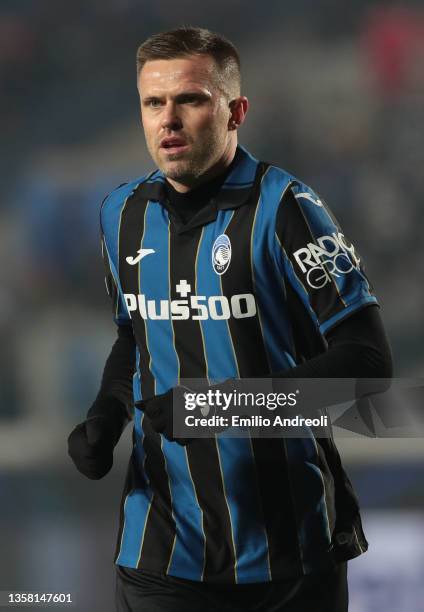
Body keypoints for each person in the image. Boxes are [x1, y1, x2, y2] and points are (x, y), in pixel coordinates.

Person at [68, 27, 393, 612]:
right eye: (152, 102)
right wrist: (106, 414)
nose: (168, 119)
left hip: (289, 554)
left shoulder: (289, 209)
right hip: (160, 552)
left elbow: (367, 366)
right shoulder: (120, 213)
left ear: (236, 110)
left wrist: (217, 407)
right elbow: (133, 336)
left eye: (190, 99)